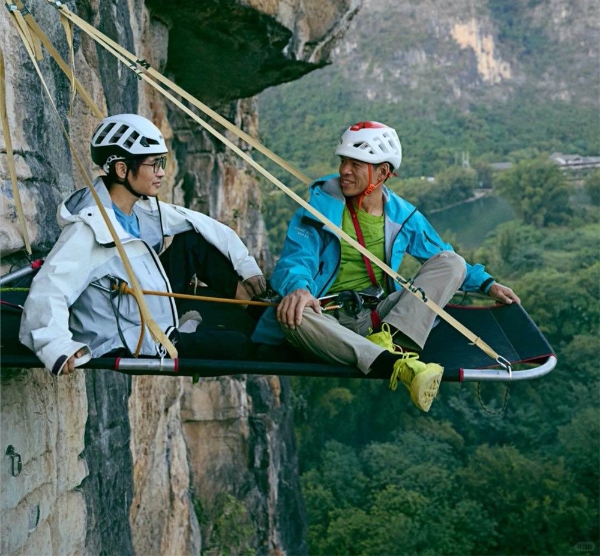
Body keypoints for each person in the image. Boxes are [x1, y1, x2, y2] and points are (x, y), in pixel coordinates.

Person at [253, 121, 520, 412]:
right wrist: (300, 289)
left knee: (451, 262)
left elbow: (443, 257)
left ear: (382, 173)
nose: (344, 170)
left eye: (356, 164)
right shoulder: (321, 208)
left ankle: (393, 342)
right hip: (324, 317)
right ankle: (394, 364)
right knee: (293, 314)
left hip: (377, 318)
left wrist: (486, 284)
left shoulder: (402, 216)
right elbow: (296, 259)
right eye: (343, 161)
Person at [20, 113, 266, 375]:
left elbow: (203, 224)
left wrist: (247, 267)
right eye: (154, 164)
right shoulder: (90, 229)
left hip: (145, 300)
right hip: (136, 339)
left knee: (193, 242)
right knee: (237, 345)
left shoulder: (139, 210)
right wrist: (56, 345)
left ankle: (261, 310)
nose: (161, 172)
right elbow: (50, 286)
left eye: (162, 162)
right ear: (122, 169)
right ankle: (203, 330)